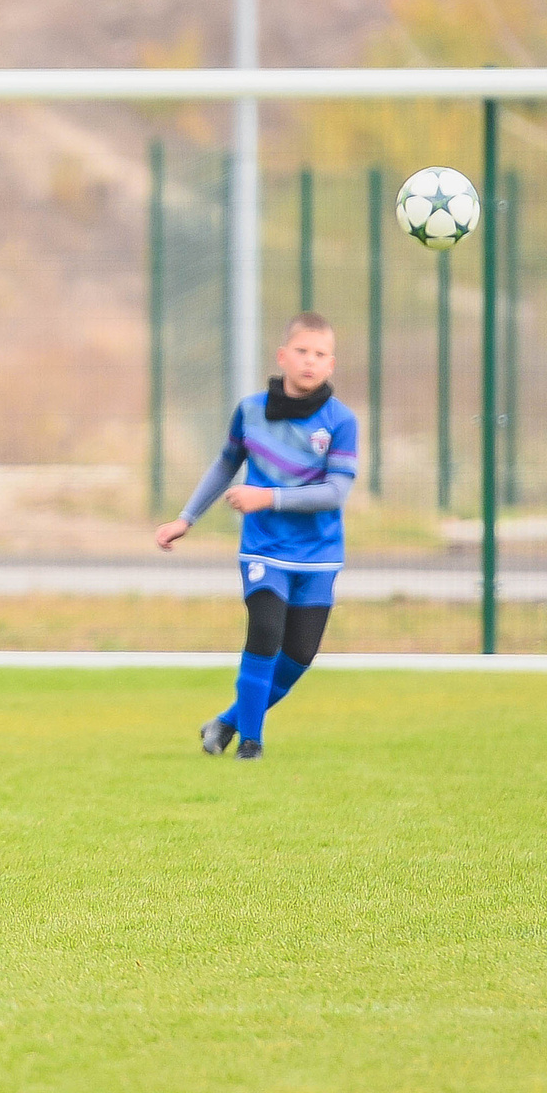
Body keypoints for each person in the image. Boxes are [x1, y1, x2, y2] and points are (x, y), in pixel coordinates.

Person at [155, 311, 360, 759]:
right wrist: (185, 518)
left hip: (319, 554)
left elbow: (336, 492)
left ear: (331, 365)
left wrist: (267, 497)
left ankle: (228, 721)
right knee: (265, 633)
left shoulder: (341, 422)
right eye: (302, 351)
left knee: (299, 657)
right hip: (263, 549)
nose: (310, 361)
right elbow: (225, 464)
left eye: (320, 354)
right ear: (282, 356)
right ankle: (251, 743)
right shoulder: (249, 411)